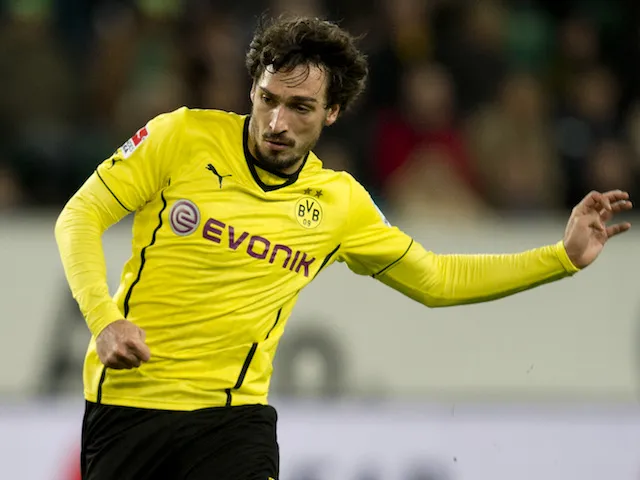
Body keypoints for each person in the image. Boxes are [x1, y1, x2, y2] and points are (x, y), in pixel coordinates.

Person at [54, 14, 632, 480]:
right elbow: (79, 216)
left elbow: (436, 279)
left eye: (300, 107)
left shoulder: (339, 204)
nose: (276, 122)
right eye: (267, 99)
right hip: (129, 407)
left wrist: (560, 258)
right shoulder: (180, 136)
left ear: (331, 112)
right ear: (252, 90)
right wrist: (104, 320)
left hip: (232, 418)